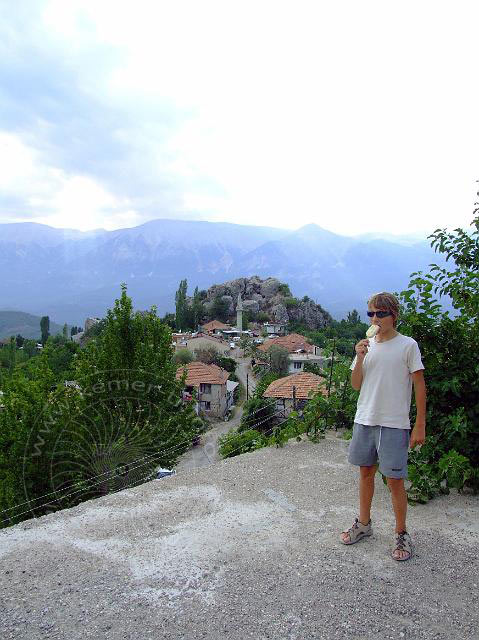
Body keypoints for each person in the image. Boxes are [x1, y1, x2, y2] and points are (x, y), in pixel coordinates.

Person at [340, 292, 426, 561]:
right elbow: (356, 385)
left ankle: (401, 533)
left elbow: (419, 385)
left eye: (380, 313)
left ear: (393, 316)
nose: (375, 318)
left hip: (394, 423)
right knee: (365, 473)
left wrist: (420, 424)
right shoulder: (366, 347)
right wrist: (360, 356)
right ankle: (364, 524)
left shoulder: (407, 345)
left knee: (395, 481)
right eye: (371, 314)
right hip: (365, 418)